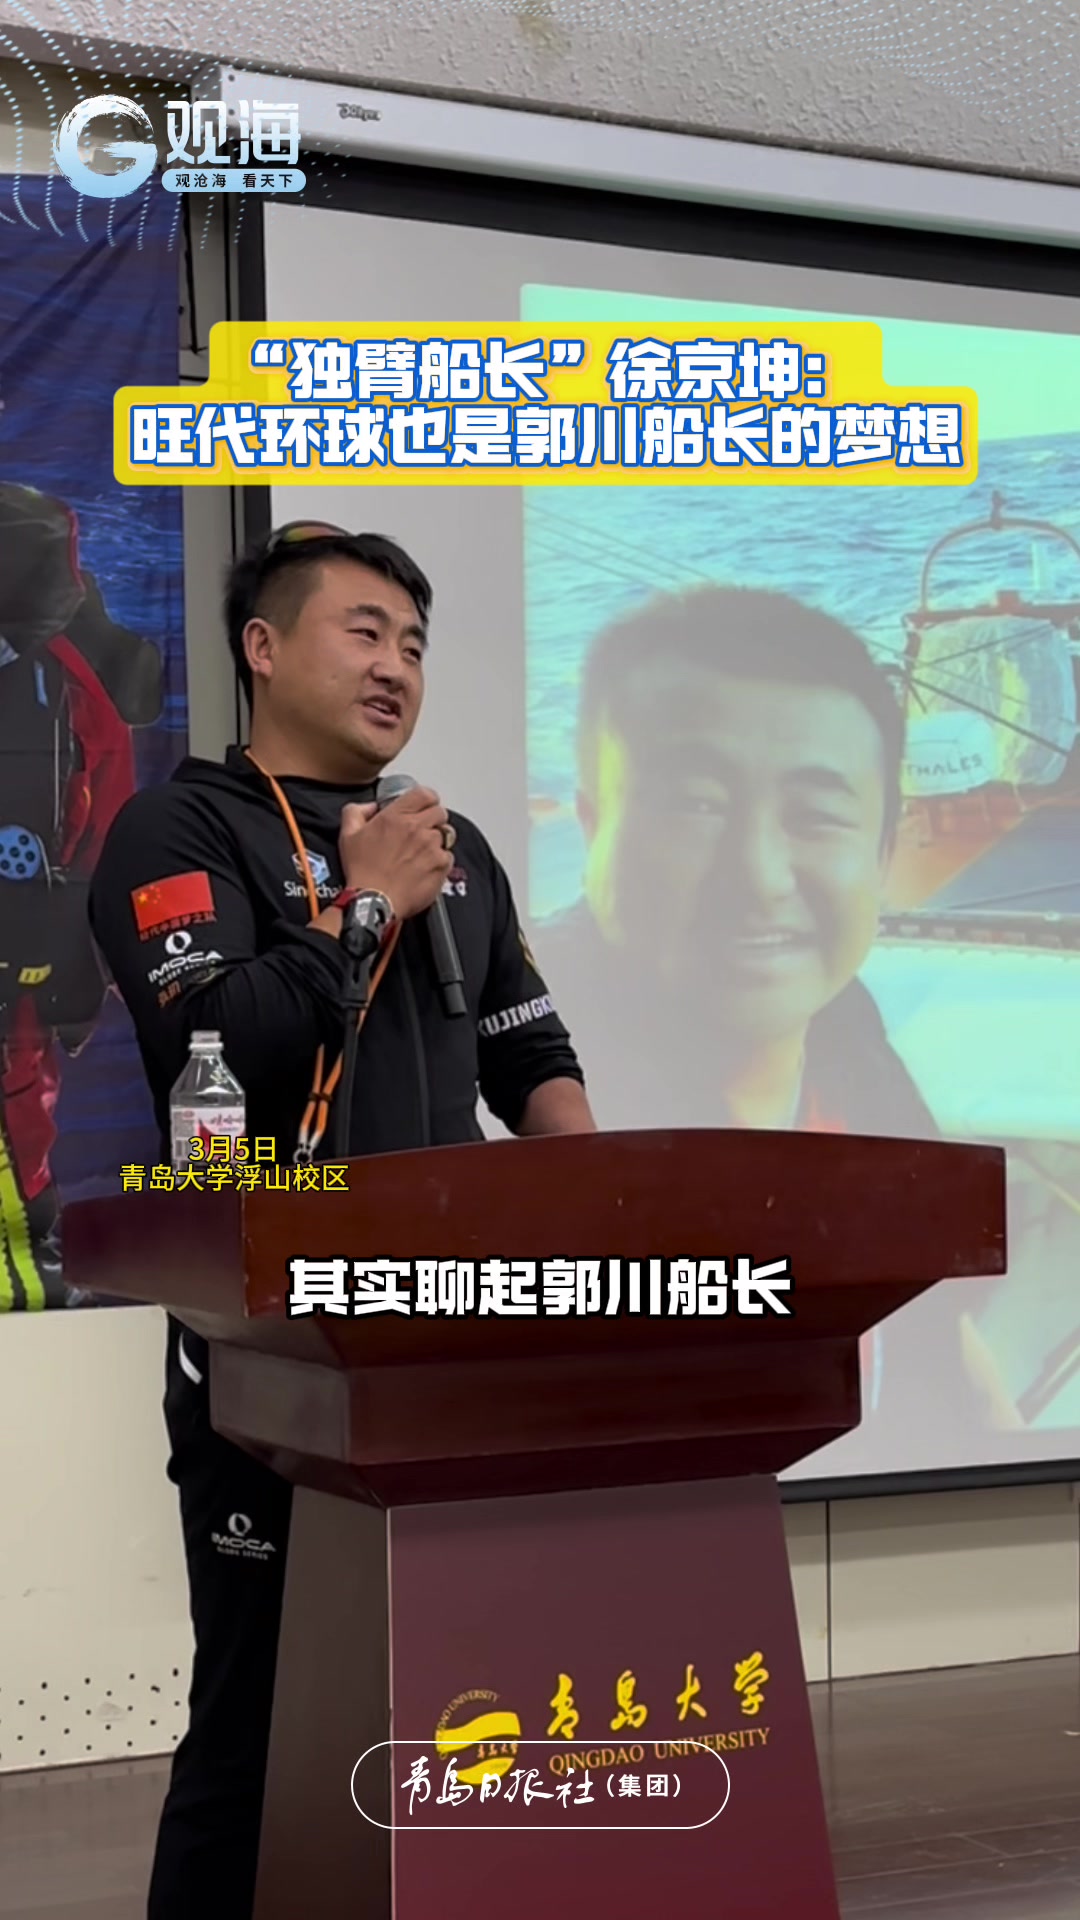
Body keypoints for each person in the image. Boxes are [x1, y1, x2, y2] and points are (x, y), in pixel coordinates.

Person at [88, 521, 595, 1919]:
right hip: (277, 1351)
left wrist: (613, 1218)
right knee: (262, 1722)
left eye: (415, 644)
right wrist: (366, 906)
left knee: (468, 1708)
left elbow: (532, 1060)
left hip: (455, 1337)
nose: (396, 667)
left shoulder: (452, 847)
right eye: (364, 631)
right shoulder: (179, 831)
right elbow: (213, 1044)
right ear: (262, 647)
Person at [538, 583, 1011, 1432]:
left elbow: (935, 1317)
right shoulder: (490, 1067)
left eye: (817, 816)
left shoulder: (845, 1027)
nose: (758, 876)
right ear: (591, 822)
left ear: (884, 850)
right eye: (697, 804)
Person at [0, 481, 162, 1309]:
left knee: (24, 1128)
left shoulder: (69, 676)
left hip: (28, 979)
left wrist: (88, 953)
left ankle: (34, 1287)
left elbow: (109, 813)